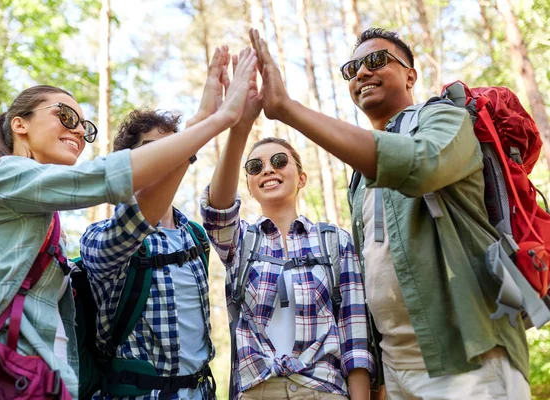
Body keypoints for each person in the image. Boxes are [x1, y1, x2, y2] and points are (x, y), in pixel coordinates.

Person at [248, 26, 530, 399]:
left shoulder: (446, 119)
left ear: (410, 75)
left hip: (470, 357)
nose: (362, 72)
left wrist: (288, 109)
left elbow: (420, 165)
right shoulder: (358, 178)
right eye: (352, 69)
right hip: (397, 368)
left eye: (376, 60)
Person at [0, 46, 256, 399]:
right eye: (65, 117)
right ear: (19, 123)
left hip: (40, 383)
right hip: (11, 381)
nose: (78, 133)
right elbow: (109, 184)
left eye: (84, 127)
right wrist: (216, 119)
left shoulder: (39, 212)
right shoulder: (4, 175)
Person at [200, 51, 374, 400]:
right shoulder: (240, 243)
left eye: (279, 161)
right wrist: (240, 127)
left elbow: (355, 337)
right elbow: (217, 211)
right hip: (255, 391)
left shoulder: (334, 242)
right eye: (255, 167)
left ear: (302, 177)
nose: (268, 169)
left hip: (324, 391)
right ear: (248, 185)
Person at [78, 46, 235, 400]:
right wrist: (200, 127)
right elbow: (133, 224)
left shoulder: (194, 235)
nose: (164, 159)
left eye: (172, 149)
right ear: (126, 165)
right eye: (152, 151)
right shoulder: (98, 238)